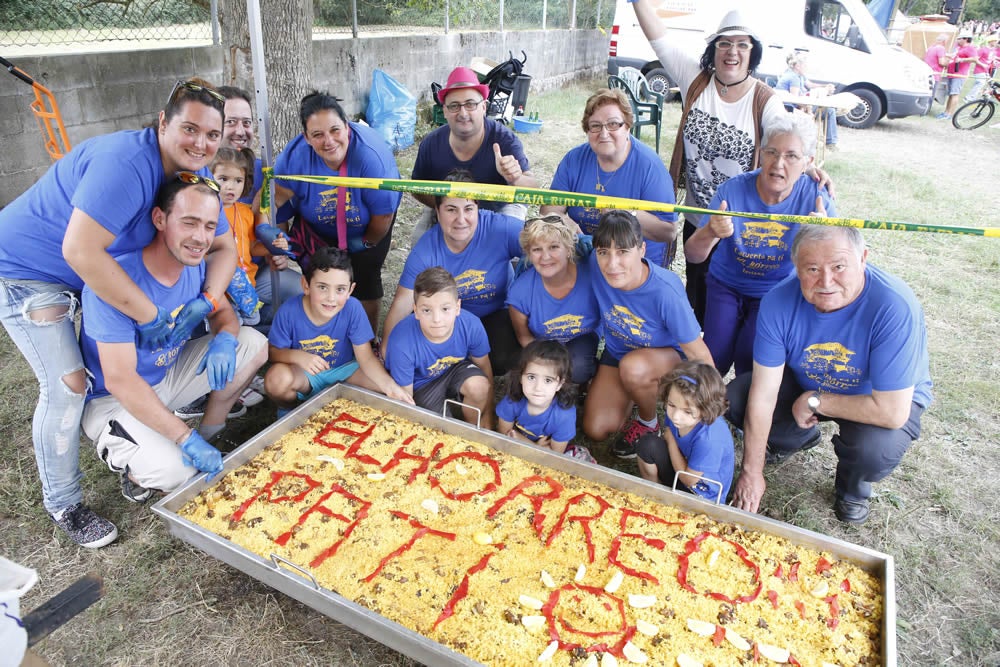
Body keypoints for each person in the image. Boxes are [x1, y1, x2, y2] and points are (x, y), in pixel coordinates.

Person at [0, 78, 236, 547]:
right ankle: (63, 503)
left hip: (82, 270)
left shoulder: (186, 177)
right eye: (190, 129)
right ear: (162, 123)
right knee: (67, 384)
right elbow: (81, 251)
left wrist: (205, 302)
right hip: (27, 272)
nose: (202, 144)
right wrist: (150, 315)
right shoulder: (126, 166)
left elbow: (227, 246)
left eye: (213, 135)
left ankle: (143, 429)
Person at [632, 4, 828, 327]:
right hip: (699, 219)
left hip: (742, 230)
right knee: (696, 304)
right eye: (724, 43)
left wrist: (809, 167)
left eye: (742, 45)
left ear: (753, 53)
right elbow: (658, 38)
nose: (732, 52)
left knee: (736, 316)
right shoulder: (695, 80)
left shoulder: (764, 101)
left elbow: (788, 142)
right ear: (713, 49)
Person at [79, 175, 268, 504]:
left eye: (210, 226)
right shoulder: (114, 281)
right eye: (190, 222)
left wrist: (225, 337)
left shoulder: (193, 263)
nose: (200, 238)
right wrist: (184, 439)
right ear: (160, 219)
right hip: (116, 400)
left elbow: (223, 314)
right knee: (176, 473)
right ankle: (136, 467)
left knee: (252, 343)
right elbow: (120, 381)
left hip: (167, 377)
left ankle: (209, 433)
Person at [728, 225, 933, 525]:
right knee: (739, 398)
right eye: (812, 269)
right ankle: (793, 438)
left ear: (863, 258)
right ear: (796, 268)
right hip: (807, 381)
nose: (826, 281)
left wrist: (816, 401)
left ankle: (852, 488)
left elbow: (891, 412)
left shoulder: (894, 306)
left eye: (839, 267)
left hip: (875, 399)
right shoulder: (777, 302)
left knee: (874, 449)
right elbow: (763, 395)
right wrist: (751, 471)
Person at [685, 112, 835, 377]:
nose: (778, 164)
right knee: (711, 362)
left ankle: (744, 408)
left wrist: (821, 236)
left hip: (776, 293)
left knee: (751, 362)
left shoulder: (816, 197)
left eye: (791, 156)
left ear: (808, 162)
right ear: (760, 154)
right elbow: (694, 255)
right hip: (726, 286)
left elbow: (838, 262)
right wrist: (710, 231)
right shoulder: (732, 191)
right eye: (771, 152)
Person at [268, 91, 401, 335]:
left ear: (347, 126)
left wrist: (365, 243)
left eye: (335, 130)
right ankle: (324, 332)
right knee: (320, 279)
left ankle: (366, 340)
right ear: (306, 138)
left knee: (364, 279)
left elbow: (383, 216)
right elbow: (274, 204)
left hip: (367, 227)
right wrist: (278, 243)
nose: (328, 141)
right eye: (317, 134)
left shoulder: (371, 158)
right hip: (316, 226)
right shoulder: (294, 157)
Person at [583, 211, 712, 459]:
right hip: (619, 352)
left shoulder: (665, 291)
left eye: (622, 252)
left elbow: (699, 353)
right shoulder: (593, 264)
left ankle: (647, 420)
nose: (612, 264)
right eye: (603, 252)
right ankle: (633, 390)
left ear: (641, 250)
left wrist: (712, 406)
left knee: (634, 368)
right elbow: (568, 242)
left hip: (667, 358)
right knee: (596, 429)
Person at [381, 170, 523, 376]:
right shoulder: (426, 250)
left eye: (468, 208)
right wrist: (386, 349)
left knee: (501, 358)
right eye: (451, 209)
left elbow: (541, 246)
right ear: (437, 212)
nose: (461, 219)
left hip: (494, 312)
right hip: (446, 316)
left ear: (477, 209)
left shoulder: (500, 229)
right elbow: (402, 302)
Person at [264, 247, 412, 413]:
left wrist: (389, 386)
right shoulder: (288, 311)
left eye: (340, 289)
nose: (331, 297)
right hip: (305, 375)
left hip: (346, 371)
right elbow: (272, 353)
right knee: (276, 380)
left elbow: (366, 358)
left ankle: (346, 408)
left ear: (350, 290)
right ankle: (294, 412)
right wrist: (297, 356)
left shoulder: (353, 308)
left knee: (389, 386)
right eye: (322, 287)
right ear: (306, 285)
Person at [539, 89, 677, 267]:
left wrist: (626, 214)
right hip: (583, 256)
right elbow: (548, 211)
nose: (603, 134)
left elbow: (668, 231)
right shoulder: (574, 159)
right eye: (595, 126)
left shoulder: (650, 167)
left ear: (627, 126)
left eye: (613, 124)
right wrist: (564, 223)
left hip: (634, 264)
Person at [409, 66, 538, 241]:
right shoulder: (431, 143)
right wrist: (446, 207)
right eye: (454, 106)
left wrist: (515, 178)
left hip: (500, 209)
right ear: (445, 111)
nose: (463, 113)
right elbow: (417, 188)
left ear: (484, 107)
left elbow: (533, 189)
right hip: (451, 206)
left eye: (470, 104)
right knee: (419, 242)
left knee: (510, 246)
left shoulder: (505, 140)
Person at [216, 86, 301, 319]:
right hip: (210, 282)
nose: (240, 131)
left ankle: (266, 335)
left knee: (299, 291)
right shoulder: (195, 174)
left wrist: (275, 252)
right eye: (231, 122)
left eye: (247, 122)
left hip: (253, 272)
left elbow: (275, 226)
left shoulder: (263, 171)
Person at [384, 267, 494, 429]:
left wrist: (488, 415)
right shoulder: (401, 343)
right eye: (427, 310)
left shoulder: (471, 325)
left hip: (454, 369)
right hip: (420, 385)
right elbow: (405, 399)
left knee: (479, 386)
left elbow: (485, 368)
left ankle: (473, 428)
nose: (437, 319)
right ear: (415, 311)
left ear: (457, 308)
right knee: (441, 430)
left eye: (445, 309)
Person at [506, 216, 601, 385]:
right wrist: (545, 368)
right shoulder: (520, 292)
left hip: (583, 335)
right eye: (537, 250)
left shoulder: (592, 273)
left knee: (578, 367)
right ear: (528, 254)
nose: (545, 257)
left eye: (554, 247)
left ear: (569, 249)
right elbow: (524, 338)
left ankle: (585, 382)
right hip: (542, 342)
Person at [635, 361, 734, 502]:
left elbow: (689, 480)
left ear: (706, 410)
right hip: (681, 467)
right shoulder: (679, 416)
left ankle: (668, 504)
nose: (675, 416)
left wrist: (670, 441)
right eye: (671, 405)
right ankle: (655, 496)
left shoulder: (710, 439)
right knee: (647, 445)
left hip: (701, 494)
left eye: (688, 412)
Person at [497, 340, 595, 463]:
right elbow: (503, 438)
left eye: (548, 380)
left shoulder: (564, 415)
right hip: (534, 447)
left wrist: (521, 441)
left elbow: (553, 456)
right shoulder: (512, 400)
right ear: (521, 377)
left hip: (543, 452)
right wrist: (537, 448)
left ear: (559, 384)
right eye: (531, 377)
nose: (538, 387)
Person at [775, 52, 838, 151]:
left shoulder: (796, 74)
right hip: (791, 110)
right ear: (797, 66)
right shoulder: (793, 78)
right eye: (805, 65)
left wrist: (825, 86)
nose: (807, 67)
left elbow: (810, 85)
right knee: (829, 110)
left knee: (828, 109)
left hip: (794, 107)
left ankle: (829, 142)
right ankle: (830, 143)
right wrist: (812, 99)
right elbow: (795, 100)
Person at [939, 32, 979, 120]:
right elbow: (953, 55)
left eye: (959, 39)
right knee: (950, 94)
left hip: (959, 74)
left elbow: (975, 59)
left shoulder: (970, 48)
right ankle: (946, 112)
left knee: (955, 94)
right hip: (951, 73)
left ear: (965, 39)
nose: (958, 40)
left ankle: (950, 114)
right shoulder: (958, 47)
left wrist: (962, 59)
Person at [967, 34, 999, 99]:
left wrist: (994, 61)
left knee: (984, 84)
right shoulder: (983, 49)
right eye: (995, 41)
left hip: (986, 71)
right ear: (991, 41)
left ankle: (975, 96)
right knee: (980, 83)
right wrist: (982, 64)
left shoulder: (993, 50)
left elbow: (990, 59)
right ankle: (970, 97)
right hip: (979, 70)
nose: (996, 43)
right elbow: (975, 59)